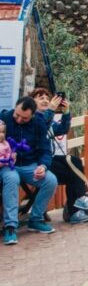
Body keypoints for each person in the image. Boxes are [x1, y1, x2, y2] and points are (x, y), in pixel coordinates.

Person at [31, 88, 88, 224]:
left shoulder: (47, 117)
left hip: (50, 158)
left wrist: (65, 113)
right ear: (32, 102)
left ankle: (77, 205)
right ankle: (75, 209)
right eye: (40, 97)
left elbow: (62, 130)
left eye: (47, 98)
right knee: (73, 175)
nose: (45, 100)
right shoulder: (32, 118)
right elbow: (39, 128)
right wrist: (51, 110)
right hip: (37, 161)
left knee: (75, 161)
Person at [1, 96, 59, 246]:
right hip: (7, 165)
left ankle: (35, 219)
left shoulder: (39, 123)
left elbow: (45, 150)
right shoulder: (4, 117)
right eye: (17, 115)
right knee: (12, 179)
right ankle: (10, 226)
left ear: (32, 115)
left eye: (24, 118)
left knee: (50, 180)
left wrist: (43, 166)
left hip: (29, 164)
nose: (19, 120)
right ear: (15, 108)